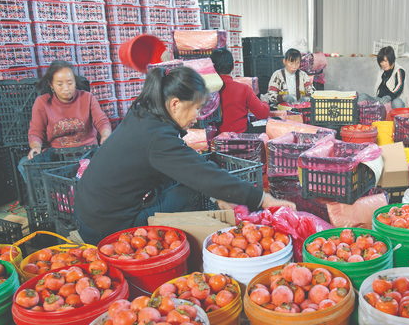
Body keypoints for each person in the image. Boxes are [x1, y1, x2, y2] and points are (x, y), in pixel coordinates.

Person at [74, 66, 295, 245]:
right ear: (175, 104)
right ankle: (188, 247)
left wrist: (220, 194)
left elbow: (187, 164)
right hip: (109, 229)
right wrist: (264, 198)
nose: (198, 117)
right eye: (197, 108)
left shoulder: (143, 113)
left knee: (193, 183)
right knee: (190, 191)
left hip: (89, 216)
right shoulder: (157, 139)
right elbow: (201, 174)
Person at [18, 60, 112, 180]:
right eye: (60, 84)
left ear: (75, 82)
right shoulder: (42, 102)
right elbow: (36, 131)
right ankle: (50, 196)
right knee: (24, 164)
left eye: (70, 83)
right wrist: (36, 147)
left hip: (87, 154)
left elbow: (102, 121)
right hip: (58, 157)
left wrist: (105, 135)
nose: (66, 88)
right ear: (51, 84)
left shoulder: (87, 98)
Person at [210, 48, 270, 133]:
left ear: (212, 67)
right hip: (241, 138)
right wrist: (265, 101)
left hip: (215, 140)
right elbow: (263, 114)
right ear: (233, 66)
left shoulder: (208, 90)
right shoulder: (244, 89)